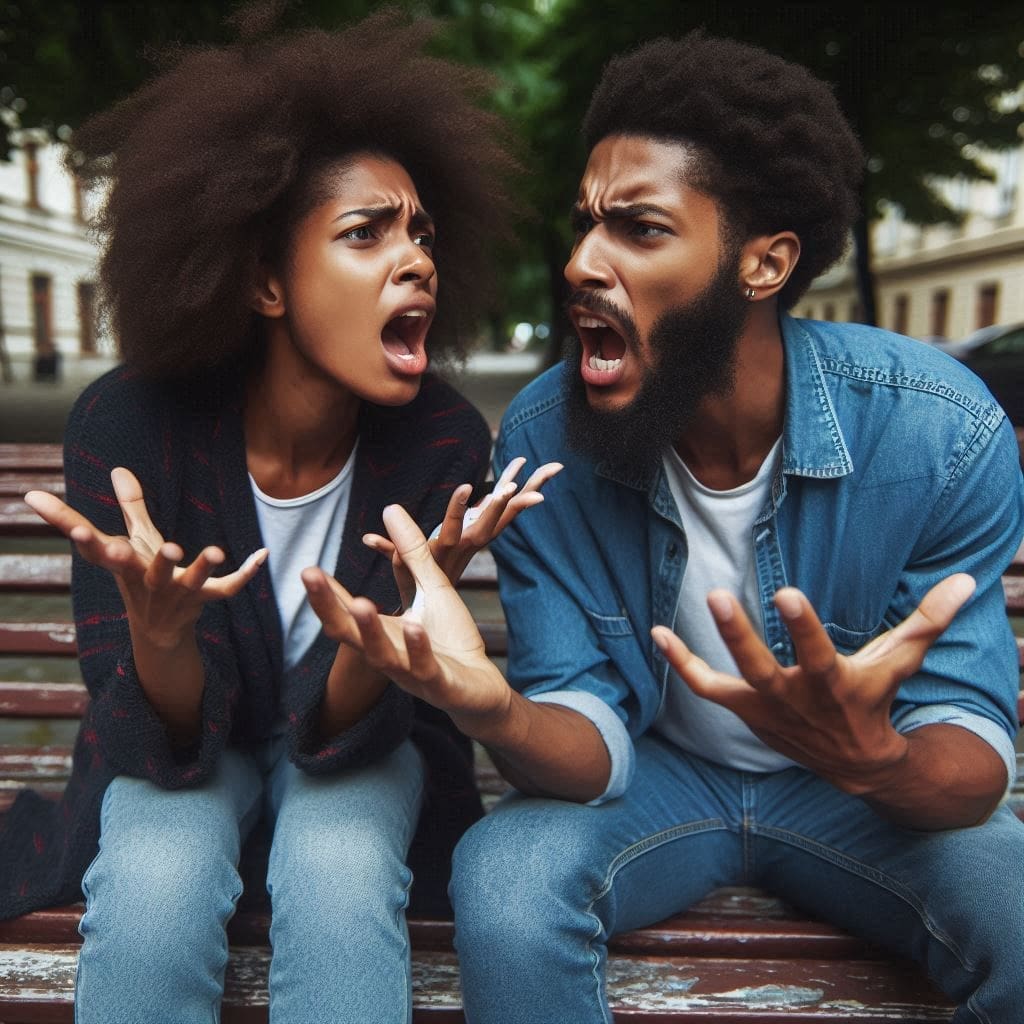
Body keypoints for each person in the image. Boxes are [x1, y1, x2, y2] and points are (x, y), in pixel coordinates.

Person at [318, 30, 1024, 1024]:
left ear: (764, 261)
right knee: (506, 880)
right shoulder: (543, 437)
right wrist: (494, 710)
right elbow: (590, 732)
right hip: (656, 780)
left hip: (858, 795)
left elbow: (968, 765)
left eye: (639, 230)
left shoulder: (935, 432)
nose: (579, 263)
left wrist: (874, 757)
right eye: (583, 226)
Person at [0, 8, 558, 1023]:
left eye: (423, 232)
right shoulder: (128, 426)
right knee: (153, 891)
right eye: (366, 231)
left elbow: (350, 729)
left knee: (339, 872)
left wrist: (378, 630)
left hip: (357, 739)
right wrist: (162, 640)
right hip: (178, 747)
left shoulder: (437, 439)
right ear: (263, 279)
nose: (416, 257)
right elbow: (156, 739)